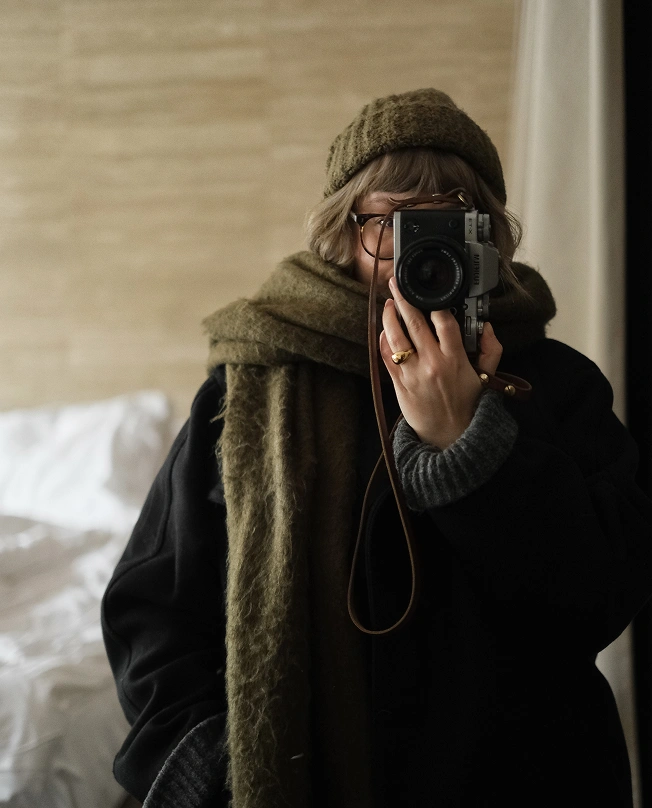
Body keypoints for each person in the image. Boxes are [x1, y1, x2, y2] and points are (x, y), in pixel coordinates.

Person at [101, 88, 652, 808]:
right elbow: (154, 609)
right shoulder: (255, 387)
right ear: (343, 235)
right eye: (393, 224)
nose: (423, 251)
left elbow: (601, 598)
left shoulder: (556, 383)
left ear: (489, 238)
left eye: (449, 223)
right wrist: (215, 769)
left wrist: (468, 439)